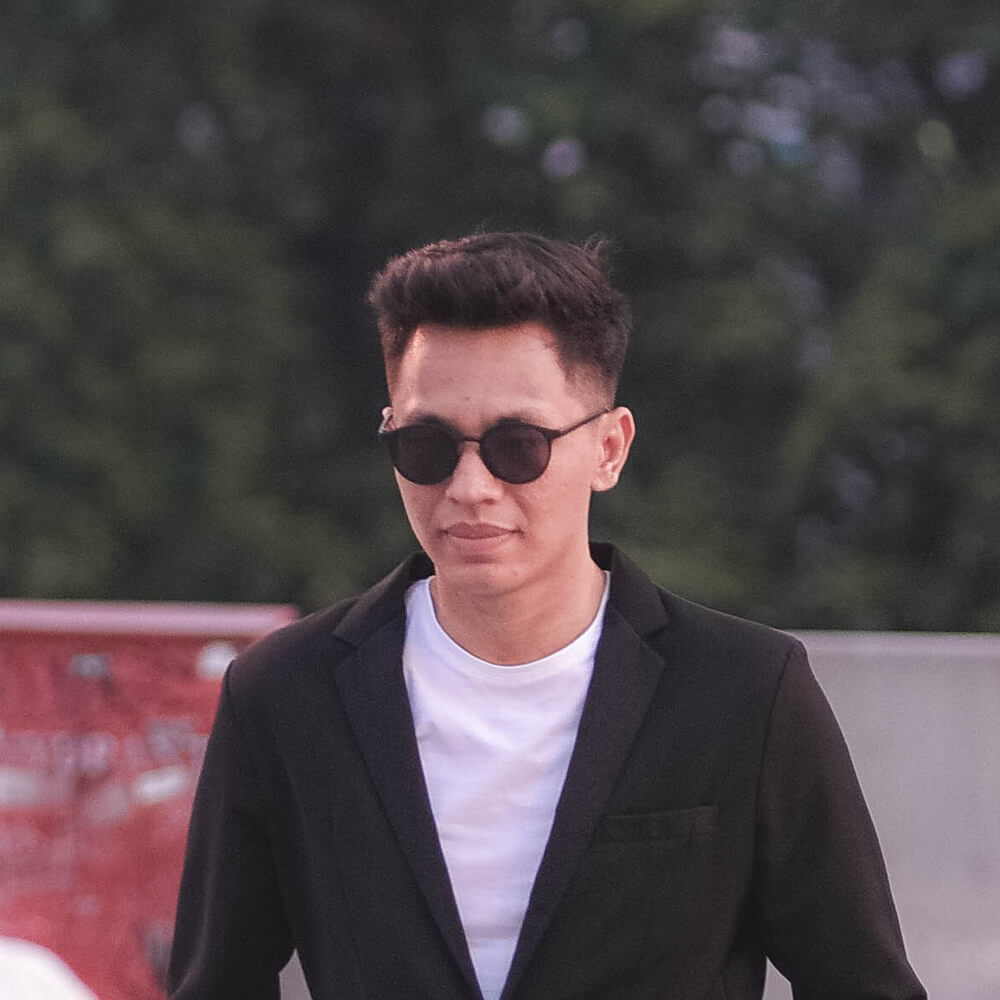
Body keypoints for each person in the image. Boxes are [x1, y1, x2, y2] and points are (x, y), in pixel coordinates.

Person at [167, 233, 925, 999]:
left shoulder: (745, 691)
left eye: (518, 445)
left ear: (609, 449)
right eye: (426, 445)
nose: (470, 487)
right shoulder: (285, 695)